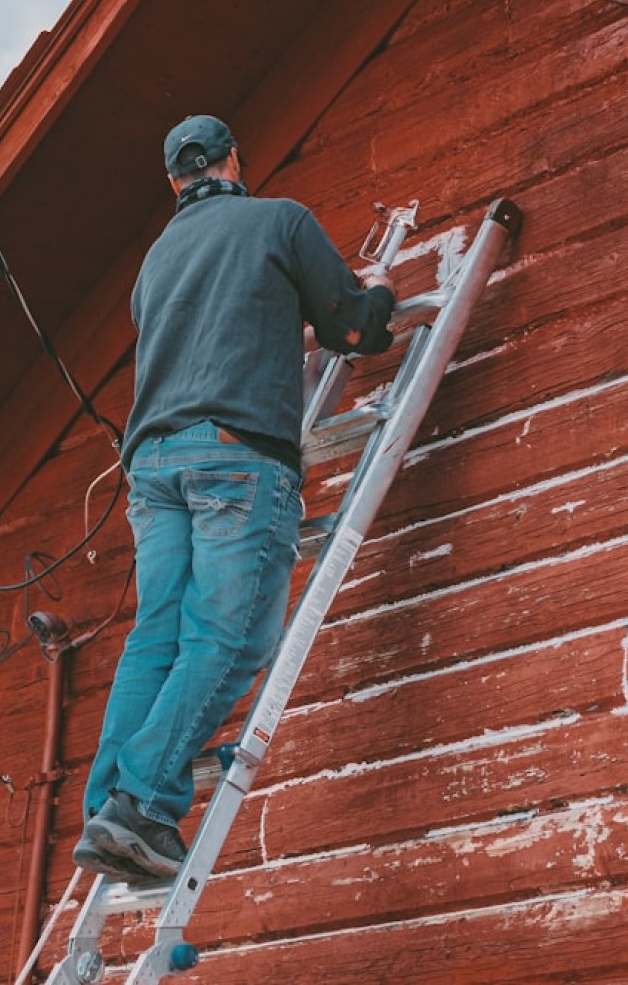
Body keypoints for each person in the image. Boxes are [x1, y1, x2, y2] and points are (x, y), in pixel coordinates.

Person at [73, 114, 397, 884]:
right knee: (232, 639)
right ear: (232, 162)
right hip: (234, 457)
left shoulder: (155, 264)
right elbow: (353, 333)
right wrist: (378, 290)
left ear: (173, 181)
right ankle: (141, 803)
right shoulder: (276, 220)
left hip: (152, 465)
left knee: (158, 637)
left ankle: (110, 803)